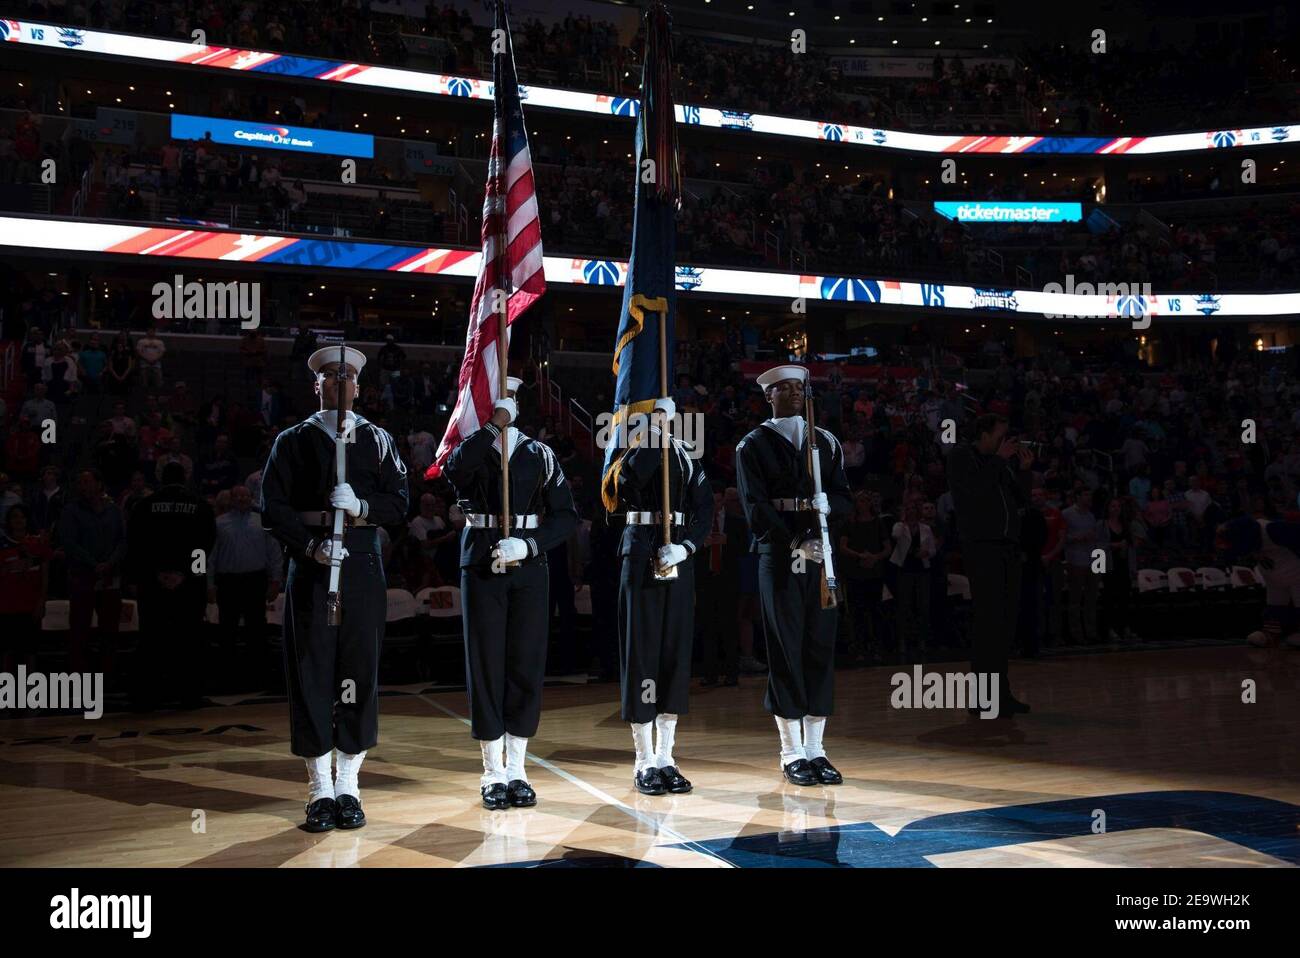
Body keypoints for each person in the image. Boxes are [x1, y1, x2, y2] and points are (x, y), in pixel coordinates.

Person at [260, 345, 410, 833]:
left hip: (361, 561)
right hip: (311, 564)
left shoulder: (378, 440)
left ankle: (348, 784)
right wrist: (309, 546)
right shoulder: (293, 440)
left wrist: (363, 506)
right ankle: (319, 788)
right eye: (330, 375)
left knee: (358, 669)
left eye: (347, 376)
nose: (339, 382)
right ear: (317, 385)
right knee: (312, 670)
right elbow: (273, 507)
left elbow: (399, 502)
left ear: (359, 387)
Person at [441, 376, 577, 810]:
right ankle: (492, 771)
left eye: (513, 398)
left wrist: (530, 543)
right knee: (486, 665)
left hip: (528, 564)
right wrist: (491, 427)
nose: (506, 405)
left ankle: (517, 768)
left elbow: (565, 516)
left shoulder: (540, 454)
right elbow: (454, 470)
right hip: (481, 562)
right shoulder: (474, 446)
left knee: (524, 663)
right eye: (500, 399)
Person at [735, 365, 852, 786]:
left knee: (819, 647)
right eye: (784, 388)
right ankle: (791, 750)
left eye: (799, 387)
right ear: (769, 396)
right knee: (785, 647)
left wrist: (830, 507)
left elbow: (845, 498)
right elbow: (756, 508)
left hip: (821, 553)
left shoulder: (825, 441)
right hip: (780, 554)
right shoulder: (753, 445)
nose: (794, 393)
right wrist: (792, 541)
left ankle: (817, 748)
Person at [607, 394, 712, 795]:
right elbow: (632, 479)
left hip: (677, 557)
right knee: (643, 654)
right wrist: (654, 431)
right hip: (642, 553)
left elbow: (705, 508)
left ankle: (666, 756)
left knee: (672, 655)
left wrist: (686, 547)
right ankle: (643, 760)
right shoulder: (629, 449)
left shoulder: (686, 455)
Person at [946, 414, 1032, 716]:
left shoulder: (1000, 463)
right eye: (1001, 436)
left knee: (1005, 625)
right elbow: (974, 494)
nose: (1006, 442)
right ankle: (982, 700)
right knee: (988, 625)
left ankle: (1000, 694)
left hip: (1007, 549)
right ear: (983, 434)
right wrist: (999, 461)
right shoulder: (962, 457)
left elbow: (1022, 499)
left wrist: (1023, 471)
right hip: (982, 549)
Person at [126, 461, 216, 710]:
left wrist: (155, 575)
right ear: (185, 478)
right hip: (189, 585)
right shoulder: (201, 506)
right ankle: (190, 695)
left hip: (152, 584)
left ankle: (150, 694)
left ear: (160, 479)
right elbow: (205, 544)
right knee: (189, 638)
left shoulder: (144, 506)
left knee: (153, 638)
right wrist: (187, 575)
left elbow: (137, 544)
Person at [58, 468, 127, 674]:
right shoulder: (71, 511)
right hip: (82, 578)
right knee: (80, 630)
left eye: (87, 482)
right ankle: (78, 678)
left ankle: (108, 675)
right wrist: (93, 564)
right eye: (80, 483)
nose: (83, 486)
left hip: (109, 578)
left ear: (99, 484)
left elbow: (123, 541)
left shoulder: (114, 510)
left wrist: (110, 563)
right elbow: (69, 542)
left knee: (110, 630)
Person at [209, 485, 283, 673]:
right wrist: (207, 584)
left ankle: (257, 672)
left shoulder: (262, 522)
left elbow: (274, 553)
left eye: (245, 495)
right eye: (237, 496)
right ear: (231, 499)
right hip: (228, 582)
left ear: (251, 498)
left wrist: (276, 581)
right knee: (227, 628)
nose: (242, 499)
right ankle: (227, 673)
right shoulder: (218, 524)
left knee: (256, 628)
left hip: (255, 580)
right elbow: (209, 556)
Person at [697, 480, 745, 687]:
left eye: (718, 500)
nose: (715, 504)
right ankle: (710, 673)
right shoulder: (699, 522)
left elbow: (745, 548)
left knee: (730, 627)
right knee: (708, 627)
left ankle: (732, 673)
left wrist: (727, 541)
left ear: (723, 501)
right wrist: (703, 544)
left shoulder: (736, 522)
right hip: (706, 580)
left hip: (728, 581)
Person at [839, 490, 891, 663]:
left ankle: (876, 646)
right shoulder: (850, 523)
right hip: (855, 571)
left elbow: (887, 547)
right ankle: (859, 646)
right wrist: (859, 556)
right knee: (857, 611)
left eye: (866, 501)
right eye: (860, 501)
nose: (864, 504)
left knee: (875, 610)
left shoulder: (878, 523)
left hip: (874, 571)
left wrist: (874, 557)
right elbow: (843, 546)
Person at [0, 504, 51, 673]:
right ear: (9, 521)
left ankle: (30, 691)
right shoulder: (2, 545)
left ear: (27, 519)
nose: (18, 520)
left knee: (31, 650)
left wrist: (41, 601)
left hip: (31, 604)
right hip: (7, 605)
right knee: (8, 650)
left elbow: (45, 574)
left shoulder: (38, 543)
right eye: (14, 516)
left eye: (22, 516)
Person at [1063, 489, 1101, 644]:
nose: (1089, 497)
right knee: (1075, 599)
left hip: (1092, 559)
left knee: (1092, 599)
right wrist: (1077, 537)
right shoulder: (1066, 514)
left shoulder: (1091, 515)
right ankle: (1076, 633)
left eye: (1090, 494)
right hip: (1075, 559)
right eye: (1085, 494)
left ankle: (1091, 632)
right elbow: (1062, 537)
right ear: (1077, 496)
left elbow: (1096, 539)